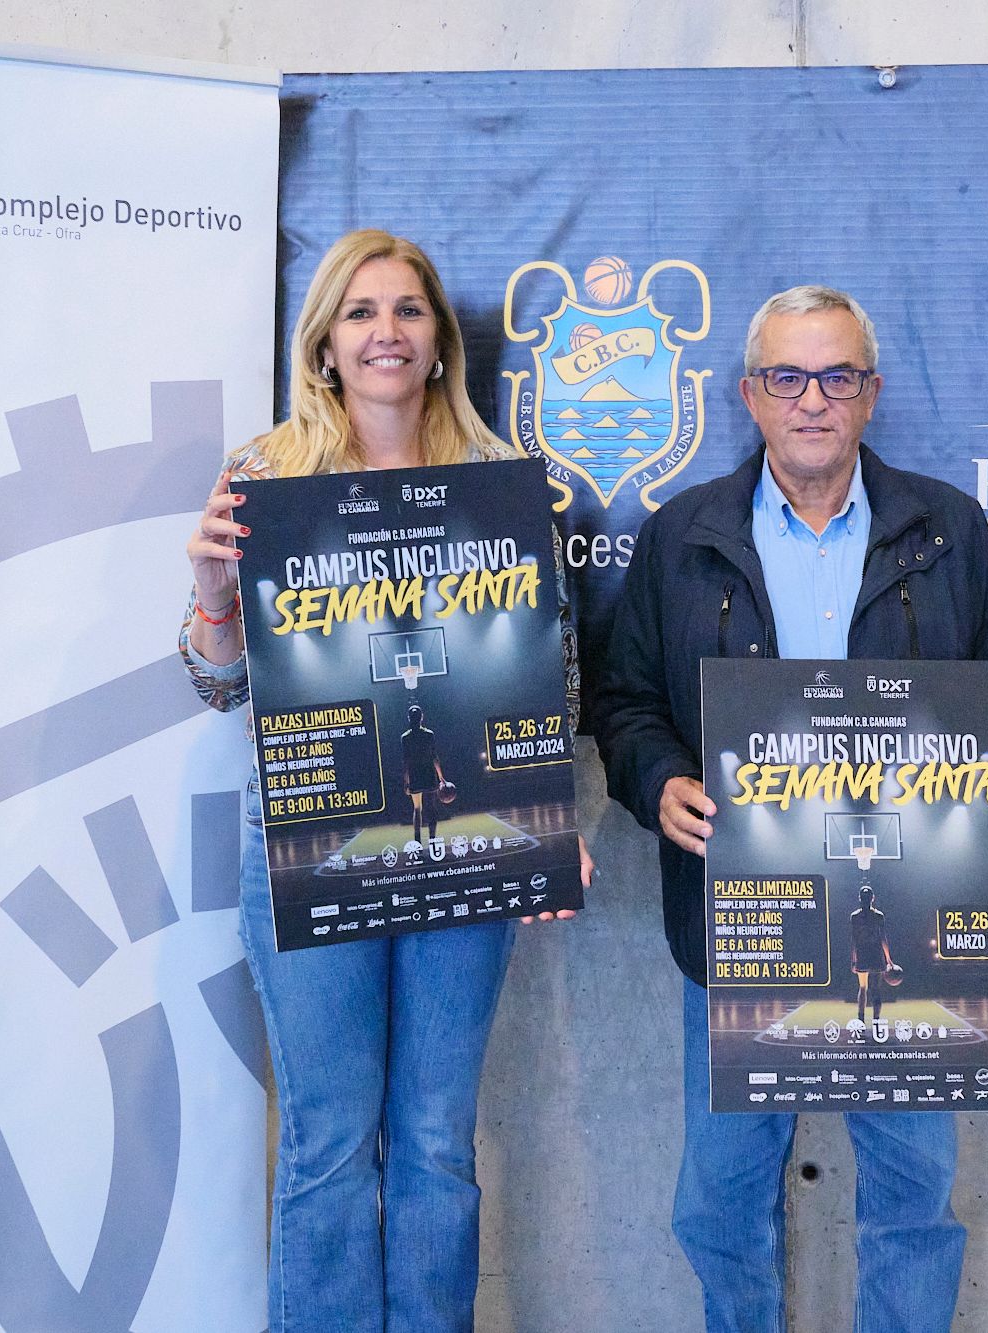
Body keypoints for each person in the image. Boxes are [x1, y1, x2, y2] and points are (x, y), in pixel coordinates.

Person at [594, 284, 988, 1333]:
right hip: (741, 910)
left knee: (914, 1199)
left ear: (870, 394)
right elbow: (623, 700)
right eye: (788, 376)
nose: (812, 399)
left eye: (836, 377)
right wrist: (658, 780)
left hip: (915, 912)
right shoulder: (681, 535)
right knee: (720, 1205)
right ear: (749, 394)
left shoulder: (946, 528)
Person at [180, 228, 588, 1333]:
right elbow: (218, 684)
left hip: (469, 841)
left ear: (440, 341)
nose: (385, 332)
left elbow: (549, 678)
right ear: (323, 343)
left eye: (407, 310)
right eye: (359, 312)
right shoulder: (266, 479)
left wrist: (548, 825)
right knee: (327, 1138)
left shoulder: (500, 485)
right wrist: (215, 596)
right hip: (308, 840)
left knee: (436, 1137)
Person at [401, 702, 446, 844]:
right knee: (431, 809)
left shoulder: (406, 737)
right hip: (428, 775)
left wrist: (406, 781)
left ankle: (417, 841)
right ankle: (432, 839)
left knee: (417, 808)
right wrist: (441, 776)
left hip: (415, 776)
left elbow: (406, 761)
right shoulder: (428, 734)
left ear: (409, 718)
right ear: (422, 717)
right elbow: (434, 757)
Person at [849, 884, 893, 1023]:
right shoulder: (878, 916)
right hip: (875, 956)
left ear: (860, 898)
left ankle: (861, 1019)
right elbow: (883, 938)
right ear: (872, 898)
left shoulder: (855, 916)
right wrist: (888, 958)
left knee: (863, 988)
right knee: (876, 989)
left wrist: (853, 960)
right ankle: (876, 1020)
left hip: (862, 955)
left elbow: (854, 940)